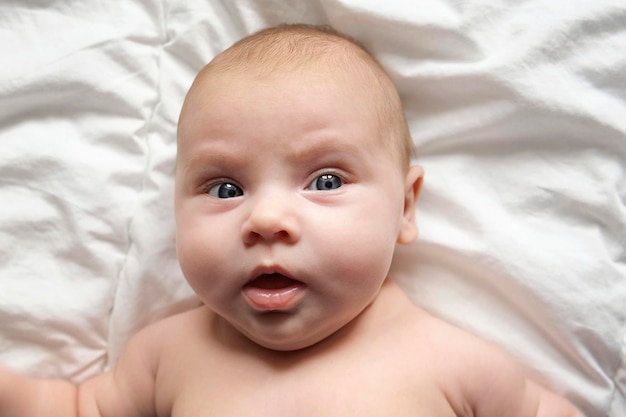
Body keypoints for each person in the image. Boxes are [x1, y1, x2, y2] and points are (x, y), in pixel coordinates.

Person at [0, 23, 582, 416]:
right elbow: (73, 409)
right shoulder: (167, 355)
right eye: (225, 188)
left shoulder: (455, 362)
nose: (267, 219)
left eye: (325, 182)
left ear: (405, 207)